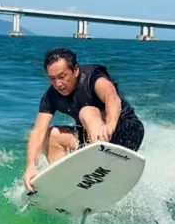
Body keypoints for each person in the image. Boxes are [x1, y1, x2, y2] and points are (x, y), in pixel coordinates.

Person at [23, 47, 144, 192]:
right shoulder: (51, 96)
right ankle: (64, 182)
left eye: (62, 76)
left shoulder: (93, 78)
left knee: (87, 111)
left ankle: (98, 161)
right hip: (95, 141)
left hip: (127, 131)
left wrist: (110, 126)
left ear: (75, 70)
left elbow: (112, 98)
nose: (58, 84)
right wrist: (31, 165)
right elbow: (38, 131)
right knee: (52, 135)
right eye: (52, 78)